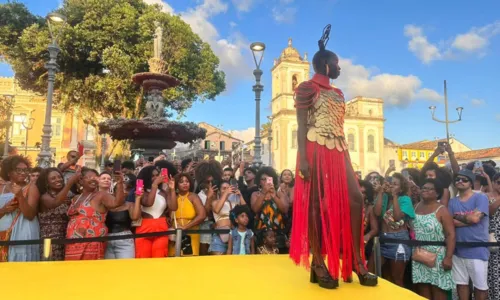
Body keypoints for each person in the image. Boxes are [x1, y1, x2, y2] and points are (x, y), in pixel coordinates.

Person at [289, 24, 377, 289]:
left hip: (339, 150)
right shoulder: (306, 88)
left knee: (356, 198)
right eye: (337, 63)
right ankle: (318, 261)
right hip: (315, 148)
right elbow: (302, 126)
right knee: (316, 205)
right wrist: (302, 159)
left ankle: (355, 260)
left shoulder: (338, 93)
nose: (340, 68)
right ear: (326, 65)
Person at [448, 169, 490, 300]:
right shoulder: (452, 202)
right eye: (457, 179)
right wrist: (469, 220)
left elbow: (475, 219)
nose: (460, 181)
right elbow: (450, 223)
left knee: (480, 287)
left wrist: (456, 216)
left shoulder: (481, 197)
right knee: (461, 285)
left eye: (464, 179)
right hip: (458, 249)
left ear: (471, 183)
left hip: (477, 248)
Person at [412, 179, 455, 300]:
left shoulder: (442, 210)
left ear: (437, 193)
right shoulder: (415, 207)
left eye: (429, 189)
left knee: (438, 290)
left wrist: (448, 257)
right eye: (423, 188)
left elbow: (451, 235)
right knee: (422, 289)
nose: (425, 190)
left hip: (438, 256)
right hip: (419, 254)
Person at [0, 156, 39, 262]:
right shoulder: (1, 188)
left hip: (23, 230)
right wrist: (3, 210)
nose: (23, 173)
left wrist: (20, 196)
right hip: (3, 231)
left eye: (25, 170)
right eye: (18, 170)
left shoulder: (31, 188)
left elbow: (30, 215)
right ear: (9, 172)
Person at [34, 168, 70, 260]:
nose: (58, 179)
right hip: (50, 242)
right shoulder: (44, 197)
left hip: (65, 238)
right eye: (53, 178)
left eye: (59, 177)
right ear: (47, 183)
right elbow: (54, 203)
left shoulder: (65, 196)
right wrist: (70, 183)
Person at [209, 181, 246, 255]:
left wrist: (240, 196)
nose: (226, 190)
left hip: (233, 236)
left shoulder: (234, 202)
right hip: (220, 236)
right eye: (224, 189)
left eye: (228, 188)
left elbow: (245, 211)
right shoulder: (215, 202)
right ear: (219, 191)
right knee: (219, 263)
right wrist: (226, 193)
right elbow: (217, 209)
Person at [487, 173, 500, 299]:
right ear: (494, 182)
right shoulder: (486, 196)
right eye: (499, 182)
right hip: (493, 235)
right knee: (494, 269)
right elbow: (490, 212)